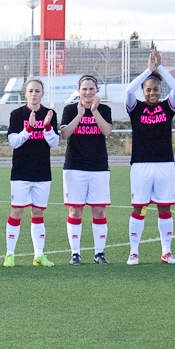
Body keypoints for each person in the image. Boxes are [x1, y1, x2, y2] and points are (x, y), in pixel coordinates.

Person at [124, 49, 175, 265]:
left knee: (164, 207)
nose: (152, 93)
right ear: (143, 91)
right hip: (140, 164)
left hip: (165, 163)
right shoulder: (135, 108)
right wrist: (148, 70)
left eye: (156, 89)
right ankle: (134, 252)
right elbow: (129, 90)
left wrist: (160, 68)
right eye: (148, 90)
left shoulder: (168, 107)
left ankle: (166, 252)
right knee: (138, 207)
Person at [3, 78, 60, 268]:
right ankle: (9, 255)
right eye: (30, 91)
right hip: (21, 171)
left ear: (42, 93)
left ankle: (39, 256)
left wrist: (47, 127)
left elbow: (54, 143)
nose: (34, 94)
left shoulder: (50, 114)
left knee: (38, 213)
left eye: (37, 91)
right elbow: (14, 142)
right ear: (25, 94)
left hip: (42, 172)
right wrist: (28, 128)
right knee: (17, 211)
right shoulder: (16, 114)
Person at [60, 74, 113, 265]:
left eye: (91, 89)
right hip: (75, 166)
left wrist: (95, 111)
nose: (88, 92)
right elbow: (65, 134)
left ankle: (99, 253)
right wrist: (80, 115)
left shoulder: (104, 109)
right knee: (75, 211)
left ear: (97, 90)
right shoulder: (69, 109)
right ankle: (75, 253)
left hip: (99, 167)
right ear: (78, 91)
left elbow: (107, 131)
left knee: (99, 211)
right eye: (84, 89)